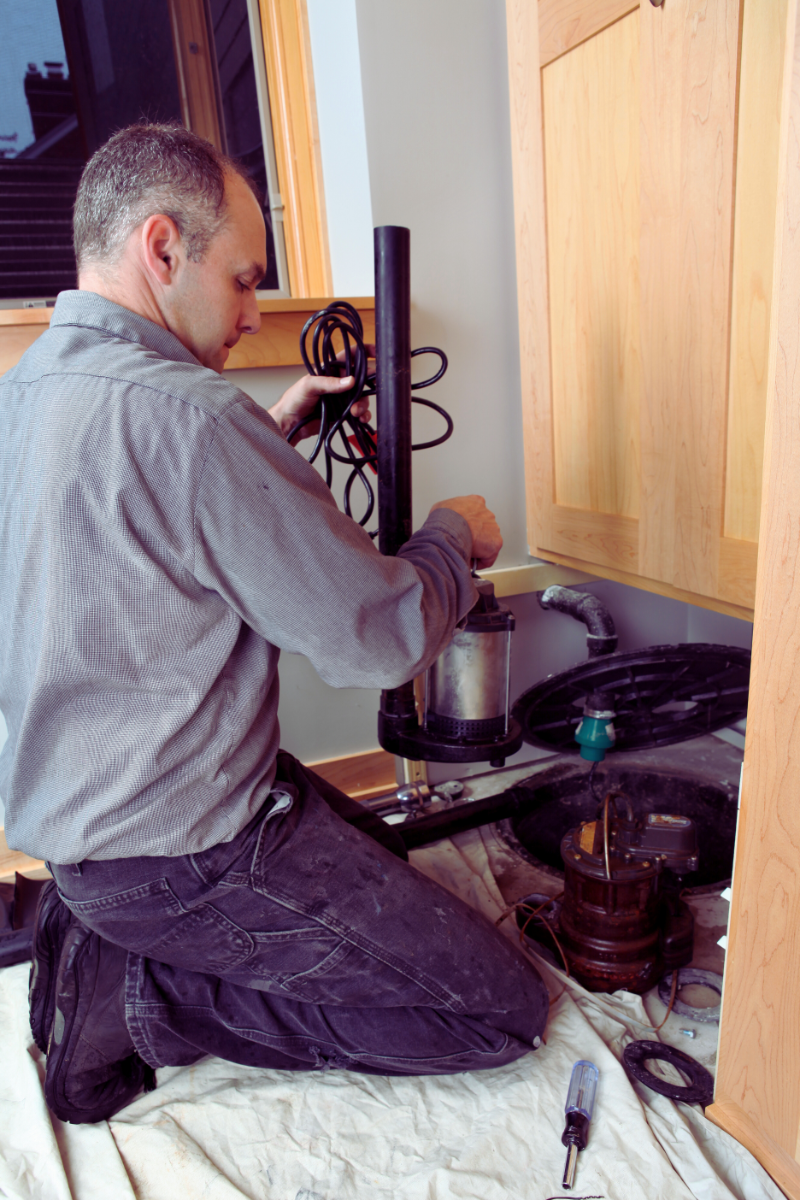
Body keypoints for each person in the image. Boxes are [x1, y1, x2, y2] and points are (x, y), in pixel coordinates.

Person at [1, 123, 548, 1125]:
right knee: (498, 1011)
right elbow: (376, 638)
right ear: (161, 248)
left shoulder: (28, 394)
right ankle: (141, 1002)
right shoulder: (191, 420)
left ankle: (115, 937)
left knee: (391, 870)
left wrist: (262, 443)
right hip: (180, 852)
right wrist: (448, 540)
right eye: (243, 280)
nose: (251, 317)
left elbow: (139, 526)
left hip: (84, 832)